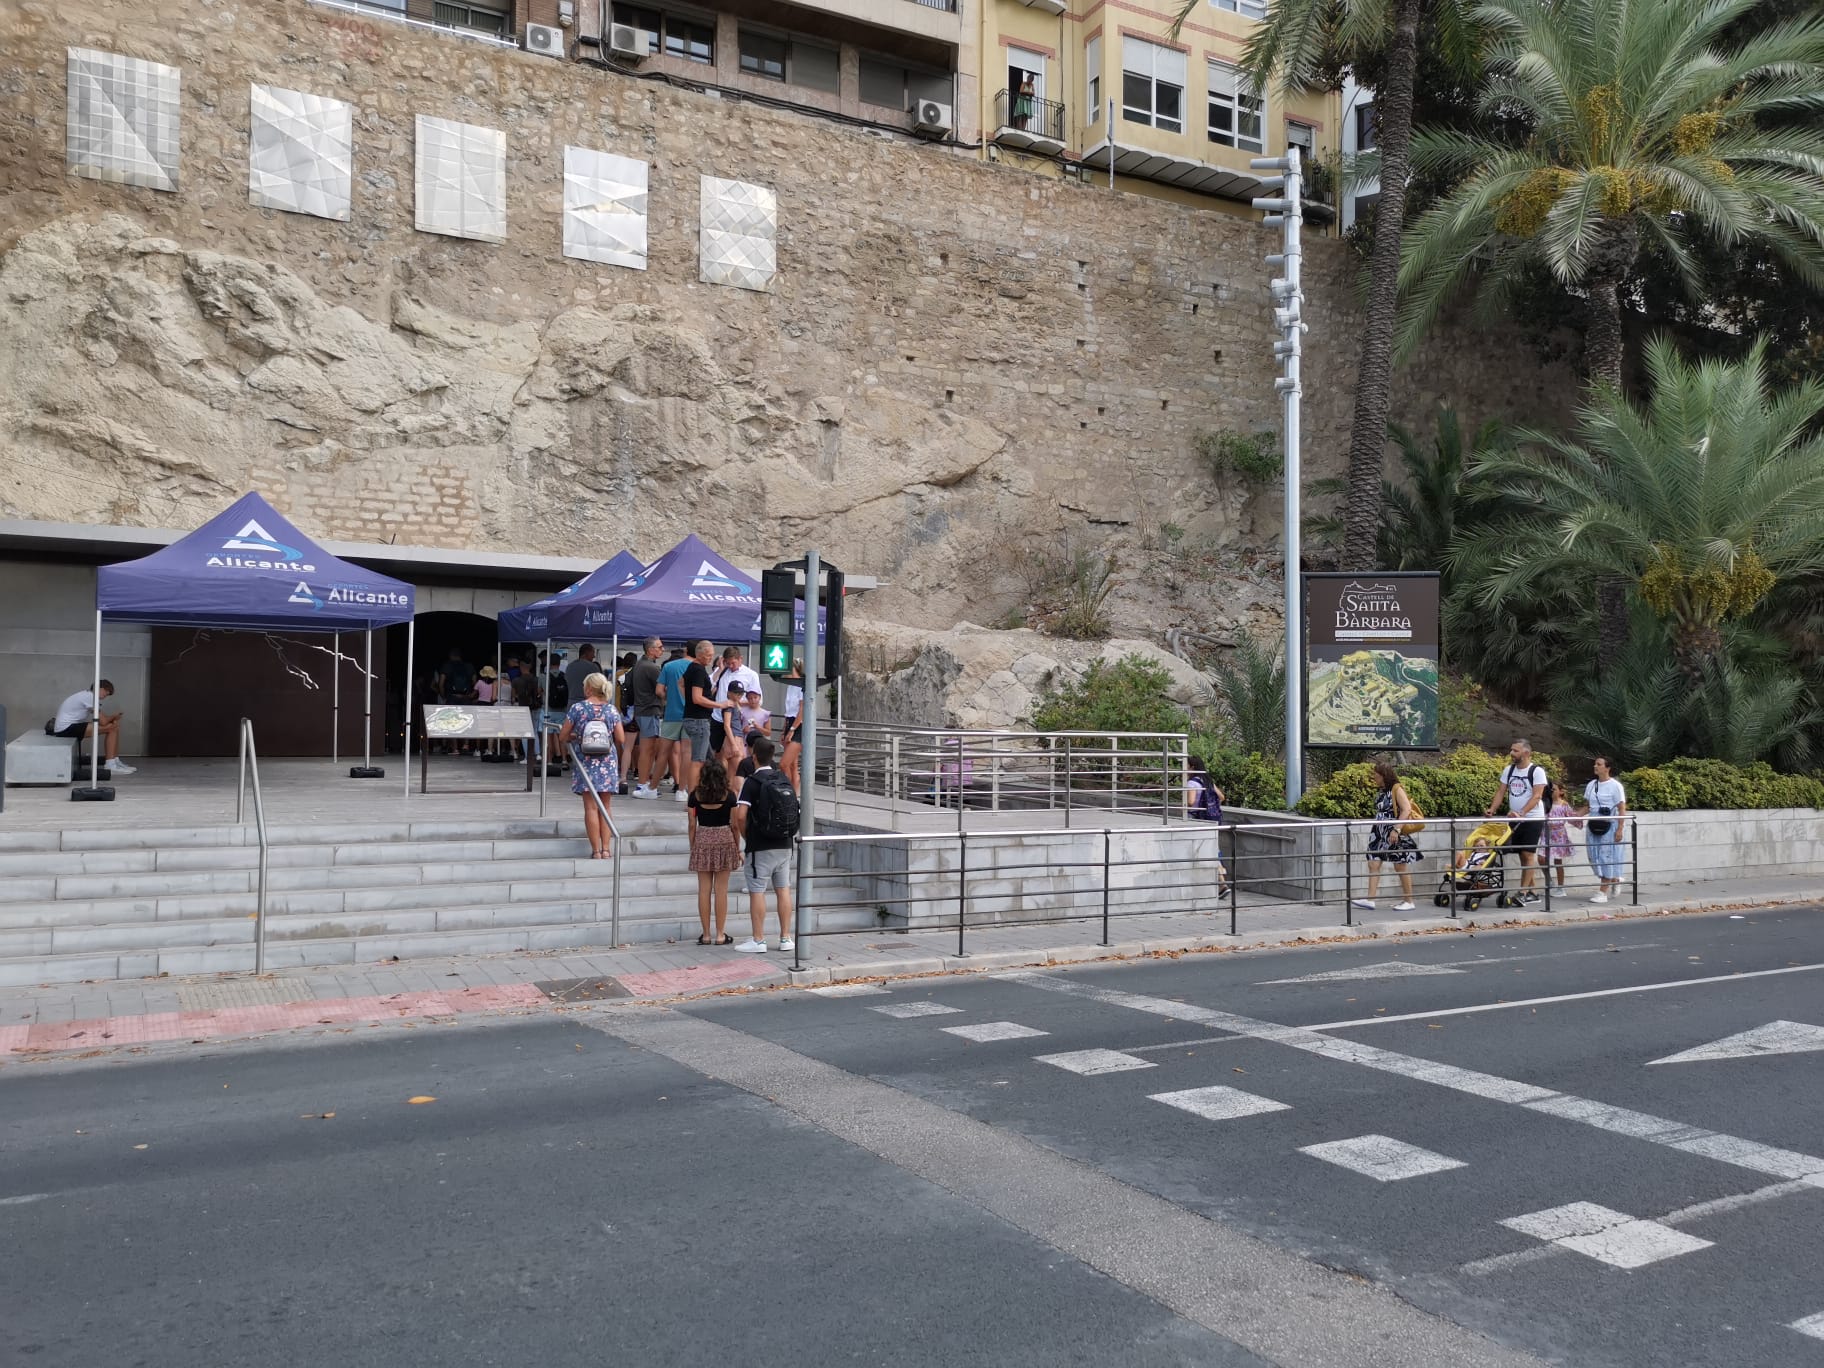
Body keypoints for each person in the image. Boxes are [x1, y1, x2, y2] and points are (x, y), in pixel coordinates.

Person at [731, 736, 796, 954]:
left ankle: (758, 940)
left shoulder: (752, 782)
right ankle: (786, 938)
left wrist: (747, 836)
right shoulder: (783, 778)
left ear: (753, 756)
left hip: (760, 845)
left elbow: (740, 816)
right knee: (783, 889)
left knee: (757, 890)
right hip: (785, 844)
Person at [555, 672, 623, 860]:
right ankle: (607, 849)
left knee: (590, 807)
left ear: (588, 688)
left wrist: (577, 737)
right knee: (606, 806)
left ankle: (596, 850)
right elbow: (621, 738)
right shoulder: (611, 710)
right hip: (607, 761)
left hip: (585, 761)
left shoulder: (578, 708)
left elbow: (562, 736)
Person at [1353, 761, 1421, 912]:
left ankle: (1409, 900)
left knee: (1400, 864)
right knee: (1373, 862)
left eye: (1376, 776)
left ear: (1384, 776)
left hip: (1393, 832)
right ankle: (1370, 900)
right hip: (1379, 831)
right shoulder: (1383, 791)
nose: (1374, 778)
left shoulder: (1396, 789)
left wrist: (1396, 829)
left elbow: (1406, 809)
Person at [1486, 738, 1547, 903]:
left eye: (1515, 751)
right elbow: (1501, 791)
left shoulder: (1536, 771)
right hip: (1514, 818)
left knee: (1528, 854)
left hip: (1533, 819)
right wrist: (1493, 809)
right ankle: (1532, 891)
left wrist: (1521, 812)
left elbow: (1537, 796)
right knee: (1522, 854)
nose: (1511, 753)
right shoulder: (1509, 770)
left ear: (1526, 753)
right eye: (1511, 750)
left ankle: (1523, 892)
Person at [687, 760, 740, 946]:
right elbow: (735, 825)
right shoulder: (730, 796)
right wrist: (737, 846)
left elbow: (692, 825)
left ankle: (706, 934)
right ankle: (720, 934)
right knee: (721, 891)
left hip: (703, 838)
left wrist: (693, 846)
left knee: (703, 890)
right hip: (724, 839)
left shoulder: (695, 796)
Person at [49, 679, 133, 775]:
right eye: (106, 692)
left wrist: (112, 718)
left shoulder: (88, 695)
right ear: (99, 688)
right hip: (65, 729)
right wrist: (114, 717)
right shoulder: (90, 697)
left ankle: (115, 761)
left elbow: (103, 720)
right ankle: (110, 765)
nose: (106, 695)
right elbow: (103, 721)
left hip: (69, 727)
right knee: (112, 728)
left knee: (114, 727)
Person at [1577, 756, 1629, 903]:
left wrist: (1619, 829)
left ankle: (1602, 892)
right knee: (1594, 857)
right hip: (1593, 824)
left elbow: (1621, 808)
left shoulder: (1616, 786)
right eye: (1595, 764)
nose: (1595, 766)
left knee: (1606, 857)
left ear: (1607, 768)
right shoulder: (1592, 785)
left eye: (1599, 764)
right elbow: (1588, 806)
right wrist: (1575, 816)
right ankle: (1615, 878)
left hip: (1609, 825)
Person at [711, 646, 762, 781]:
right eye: (728, 663)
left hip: (734, 718)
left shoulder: (750, 675)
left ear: (740, 659)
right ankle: (719, 780)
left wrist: (736, 701)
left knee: (735, 755)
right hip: (717, 716)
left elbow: (757, 699)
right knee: (717, 752)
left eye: (733, 663)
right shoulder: (722, 671)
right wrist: (720, 669)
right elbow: (709, 685)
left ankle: (730, 782)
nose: (731, 666)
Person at [678, 640, 720, 800]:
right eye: (709, 655)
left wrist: (688, 700)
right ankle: (693, 799)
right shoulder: (698, 671)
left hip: (693, 717)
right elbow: (697, 698)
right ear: (700, 654)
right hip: (699, 720)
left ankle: (710, 791)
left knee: (709, 759)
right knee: (698, 760)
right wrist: (719, 704)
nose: (711, 658)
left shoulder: (692, 668)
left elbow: (680, 683)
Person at [627, 636, 668, 798]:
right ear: (650, 650)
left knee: (647, 748)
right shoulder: (651, 668)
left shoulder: (639, 665)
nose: (662, 649)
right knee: (648, 749)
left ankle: (642, 783)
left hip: (641, 709)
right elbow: (661, 689)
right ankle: (643, 784)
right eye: (659, 647)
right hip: (649, 710)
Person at [656, 642, 695, 802]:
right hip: (690, 715)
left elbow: (658, 691)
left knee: (664, 752)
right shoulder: (697, 667)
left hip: (671, 714)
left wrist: (669, 697)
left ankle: (651, 787)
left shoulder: (669, 667)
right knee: (687, 753)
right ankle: (682, 790)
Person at [780, 659, 806, 791]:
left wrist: (791, 729)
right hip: (790, 721)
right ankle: (794, 795)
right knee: (792, 765)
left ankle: (790, 792)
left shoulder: (801, 685)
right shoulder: (790, 685)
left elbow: (802, 710)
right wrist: (784, 729)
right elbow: (788, 711)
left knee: (784, 764)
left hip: (798, 725)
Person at [1544, 782, 1575, 890]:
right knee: (1541, 858)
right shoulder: (1546, 803)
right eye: (1550, 790)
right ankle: (1549, 880)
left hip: (1559, 835)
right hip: (1546, 834)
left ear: (1560, 791)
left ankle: (1560, 887)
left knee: (1558, 861)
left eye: (1554, 790)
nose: (1552, 792)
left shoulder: (1564, 805)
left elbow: (1572, 817)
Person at [564, 644, 597, 718]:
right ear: (587, 653)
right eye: (593, 653)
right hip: (587, 705)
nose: (594, 656)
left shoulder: (569, 667)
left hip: (571, 704)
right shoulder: (592, 667)